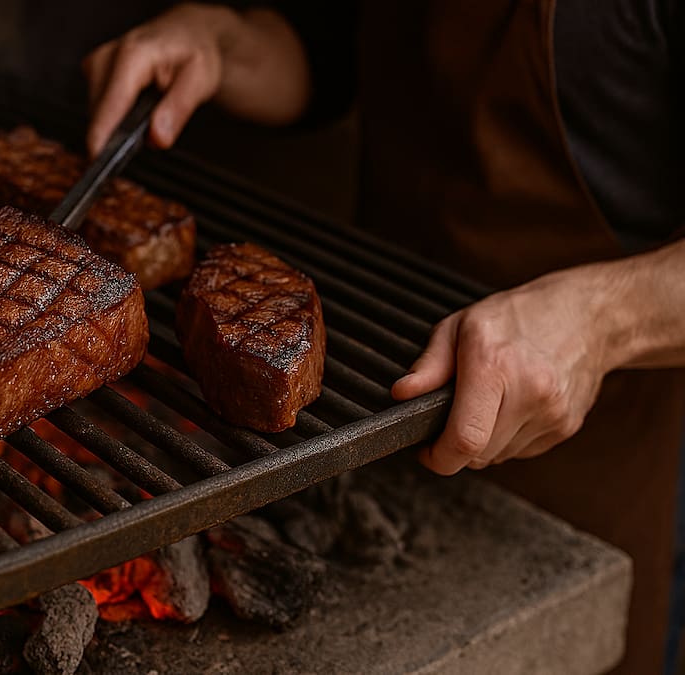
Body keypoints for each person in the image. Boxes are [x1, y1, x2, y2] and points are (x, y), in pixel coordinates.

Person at [82, 3, 685, 672]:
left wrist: (602, 319)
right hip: (367, 403)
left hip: (582, 467)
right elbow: (335, 46)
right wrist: (231, 45)